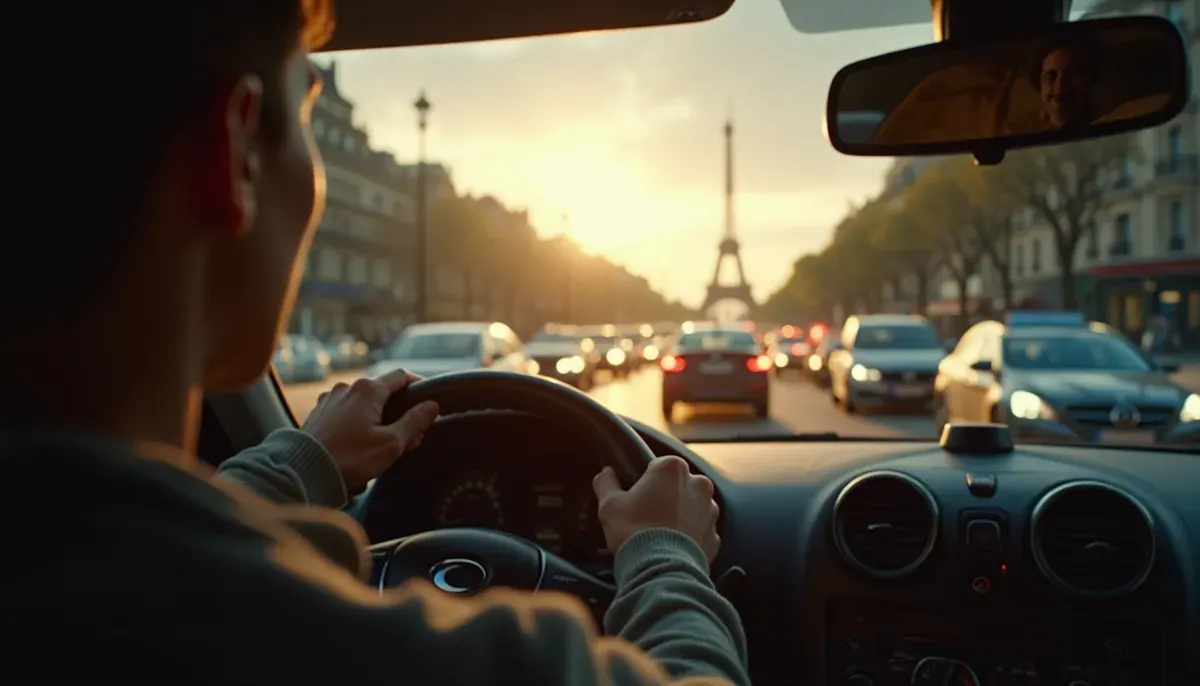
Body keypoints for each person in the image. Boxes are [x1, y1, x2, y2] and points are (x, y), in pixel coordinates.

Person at [0, 2, 748, 685]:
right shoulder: (386, 657)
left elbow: (125, 545)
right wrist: (664, 556)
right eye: (306, 119)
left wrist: (301, 461)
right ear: (234, 153)